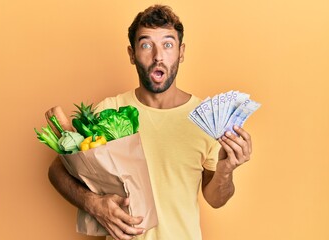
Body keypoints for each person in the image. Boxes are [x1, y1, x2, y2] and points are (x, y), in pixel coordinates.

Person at [48, 5, 253, 240]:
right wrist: (93, 204)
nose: (158, 56)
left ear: (181, 52)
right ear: (132, 54)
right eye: (146, 45)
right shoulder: (108, 110)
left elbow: (216, 200)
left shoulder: (205, 119)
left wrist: (226, 171)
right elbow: (56, 170)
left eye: (168, 44)